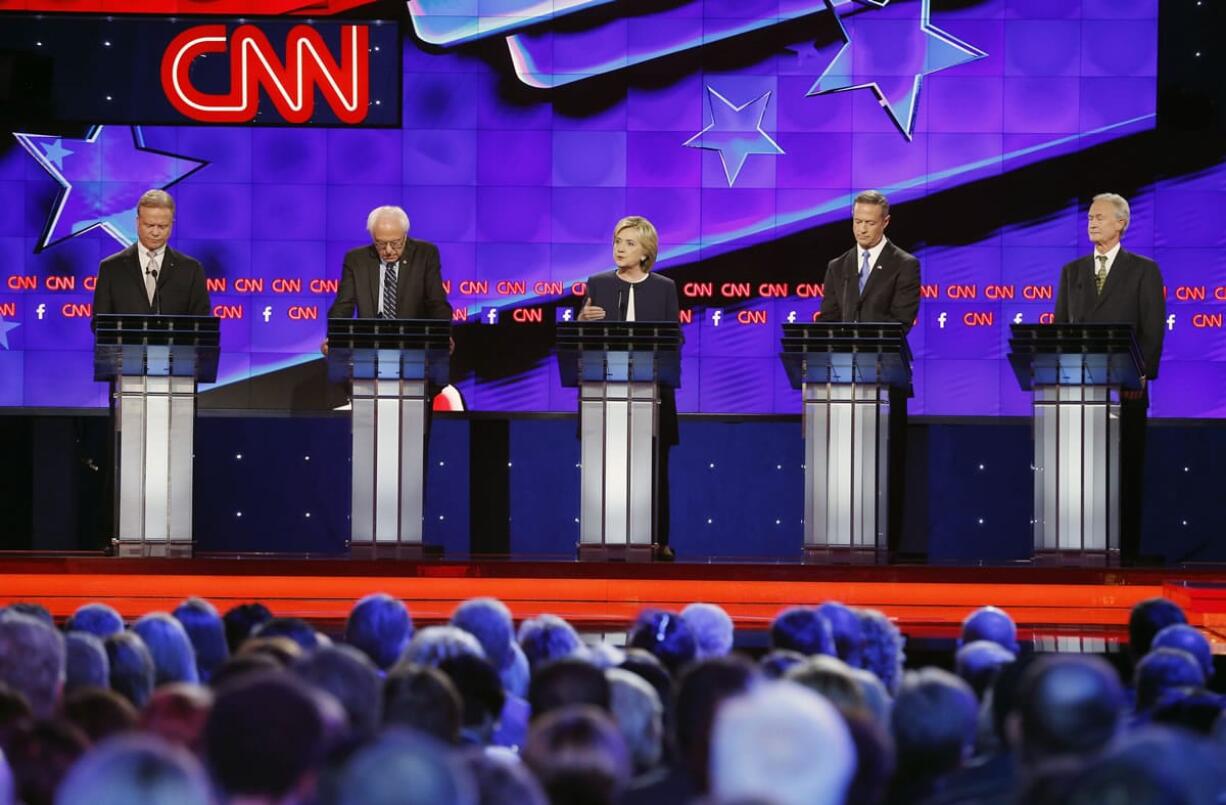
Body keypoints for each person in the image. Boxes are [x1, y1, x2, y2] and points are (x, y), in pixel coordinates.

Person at [1054, 193, 1166, 563]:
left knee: (1125, 472)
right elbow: (1060, 332)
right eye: (1089, 217)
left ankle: (1126, 555)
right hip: (1079, 393)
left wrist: (1141, 376)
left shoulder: (1143, 270)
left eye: (1100, 217)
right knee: (1080, 473)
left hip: (1126, 391)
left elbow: (1151, 330)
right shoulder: (1072, 272)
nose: (1092, 222)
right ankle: (1077, 549)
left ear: (1121, 223)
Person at [819, 190, 921, 553]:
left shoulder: (904, 264)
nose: (861, 229)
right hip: (843, 382)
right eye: (856, 221)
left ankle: (885, 545)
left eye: (869, 223)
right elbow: (829, 319)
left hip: (885, 378)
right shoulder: (838, 266)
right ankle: (841, 540)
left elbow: (901, 320)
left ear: (885, 222)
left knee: (885, 464)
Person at [577, 216, 680, 560]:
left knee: (655, 469)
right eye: (617, 241)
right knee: (605, 467)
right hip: (605, 396)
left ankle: (657, 541)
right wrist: (581, 323)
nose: (620, 249)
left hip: (653, 397)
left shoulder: (664, 288)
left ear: (646, 251)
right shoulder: (599, 284)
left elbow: (674, 338)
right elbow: (585, 342)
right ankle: (601, 537)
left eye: (629, 243)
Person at [92, 189, 210, 320]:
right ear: (137, 223)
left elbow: (201, 325)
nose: (155, 232)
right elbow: (99, 324)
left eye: (162, 226)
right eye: (149, 225)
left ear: (171, 225)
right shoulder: (111, 268)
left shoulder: (191, 270)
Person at [326, 205, 451, 325]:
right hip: (370, 339)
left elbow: (437, 304)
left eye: (396, 243)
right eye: (380, 243)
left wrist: (443, 336)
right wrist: (333, 337)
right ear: (372, 237)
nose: (389, 250)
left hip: (413, 339)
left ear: (405, 235)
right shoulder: (356, 260)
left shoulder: (425, 254)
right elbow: (343, 307)